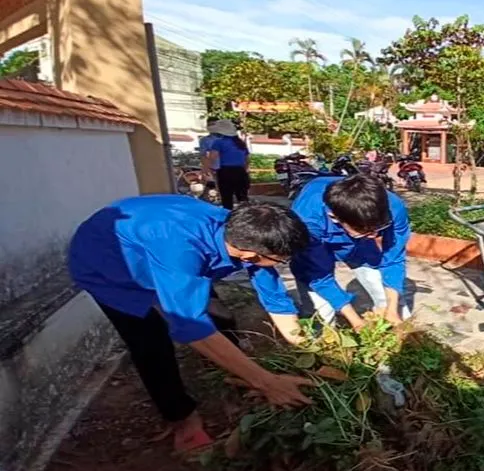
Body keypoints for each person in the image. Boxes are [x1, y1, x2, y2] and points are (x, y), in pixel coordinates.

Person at [68, 197, 315, 453]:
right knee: (150, 343)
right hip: (110, 265)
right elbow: (192, 328)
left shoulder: (244, 232)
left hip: (164, 251)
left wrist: (307, 348)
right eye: (282, 260)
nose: (283, 264)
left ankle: (234, 378)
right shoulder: (183, 250)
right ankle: (182, 419)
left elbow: (274, 296)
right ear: (250, 255)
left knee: (220, 317)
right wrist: (267, 381)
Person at [291, 174, 411, 330]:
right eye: (364, 231)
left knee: (390, 300)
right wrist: (356, 321)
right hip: (315, 240)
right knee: (321, 312)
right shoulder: (307, 222)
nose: (374, 236)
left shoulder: (392, 207)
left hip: (359, 244)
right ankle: (320, 341)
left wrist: (392, 309)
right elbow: (319, 276)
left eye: (378, 228)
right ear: (334, 218)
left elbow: (393, 258)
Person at [203, 119, 251, 209]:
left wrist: (207, 169)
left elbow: (212, 157)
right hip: (240, 171)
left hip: (226, 171)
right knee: (242, 198)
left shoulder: (218, 142)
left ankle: (227, 217)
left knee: (227, 198)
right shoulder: (240, 143)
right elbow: (247, 159)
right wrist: (245, 170)